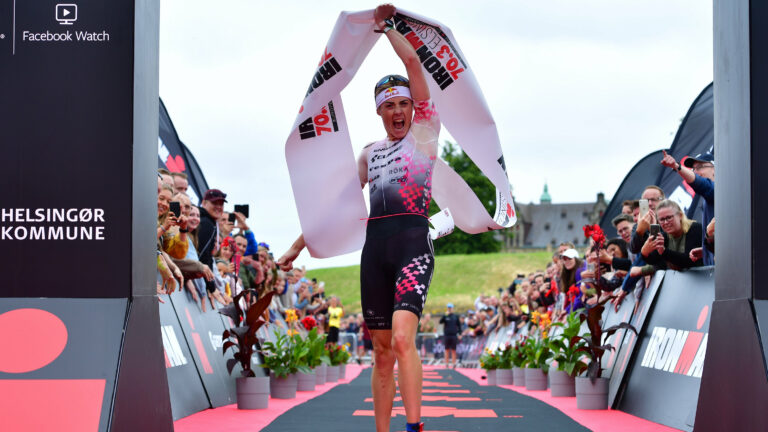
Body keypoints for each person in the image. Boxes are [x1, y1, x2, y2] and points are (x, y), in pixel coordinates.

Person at [278, 5, 435, 431]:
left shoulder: (424, 136)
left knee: (404, 339)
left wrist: (387, 28)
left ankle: (414, 427)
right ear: (381, 112)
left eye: (405, 103)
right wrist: (295, 248)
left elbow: (413, 63)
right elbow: (337, 204)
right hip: (376, 250)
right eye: (392, 106)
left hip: (413, 245)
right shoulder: (369, 152)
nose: (400, 111)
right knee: (381, 352)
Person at [660, 150, 715, 265]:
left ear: (715, 168)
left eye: (700, 167)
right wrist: (705, 251)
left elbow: (701, 184)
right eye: (693, 169)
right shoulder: (708, 197)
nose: (695, 172)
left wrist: (676, 166)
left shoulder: (716, 189)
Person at [640, 199, 703, 271]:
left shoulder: (695, 228)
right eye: (662, 219)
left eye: (669, 217)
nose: (666, 222)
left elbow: (689, 260)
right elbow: (653, 260)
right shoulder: (665, 236)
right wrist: (644, 252)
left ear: (680, 215)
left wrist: (663, 251)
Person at [439, 304, 460, 369]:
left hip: (454, 335)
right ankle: (447, 364)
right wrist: (445, 315)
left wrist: (460, 334)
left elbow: (459, 326)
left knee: (454, 350)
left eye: (451, 308)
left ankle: (454, 364)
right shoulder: (445, 316)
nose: (450, 309)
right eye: (448, 308)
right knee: (447, 350)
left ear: (453, 308)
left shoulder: (455, 316)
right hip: (447, 335)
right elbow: (440, 322)